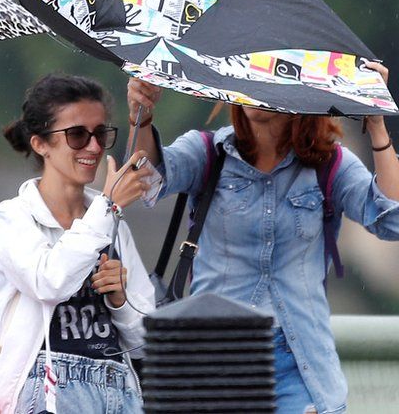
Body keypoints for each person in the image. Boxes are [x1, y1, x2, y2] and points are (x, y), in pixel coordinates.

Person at [127, 67, 399, 414]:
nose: (255, 90)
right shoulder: (208, 152)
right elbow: (144, 180)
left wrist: (376, 122)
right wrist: (142, 115)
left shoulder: (330, 165)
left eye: (269, 79)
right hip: (216, 360)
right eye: (248, 77)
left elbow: (392, 220)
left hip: (301, 365)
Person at [0, 73, 155, 414]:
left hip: (118, 389)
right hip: (48, 390)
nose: (93, 147)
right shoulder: (13, 217)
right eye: (77, 135)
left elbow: (145, 343)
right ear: (40, 143)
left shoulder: (112, 222)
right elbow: (49, 282)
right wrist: (108, 206)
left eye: (101, 134)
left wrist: (121, 301)